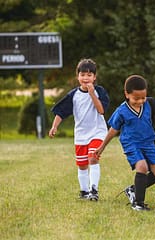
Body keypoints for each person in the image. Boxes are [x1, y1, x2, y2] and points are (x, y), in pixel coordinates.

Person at [95, 74, 155, 211]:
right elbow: (113, 130)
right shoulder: (121, 111)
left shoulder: (150, 103)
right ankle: (138, 203)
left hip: (148, 143)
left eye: (143, 97)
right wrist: (101, 147)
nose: (140, 101)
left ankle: (133, 190)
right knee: (142, 167)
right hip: (131, 143)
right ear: (127, 94)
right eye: (136, 98)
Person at [49, 58, 109, 201]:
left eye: (89, 75)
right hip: (81, 135)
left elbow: (101, 110)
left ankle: (94, 191)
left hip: (98, 132)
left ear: (94, 77)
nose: (85, 78)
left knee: (93, 158)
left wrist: (92, 93)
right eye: (82, 75)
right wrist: (54, 126)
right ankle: (84, 192)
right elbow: (61, 112)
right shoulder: (73, 95)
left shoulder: (99, 91)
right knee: (82, 165)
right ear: (78, 77)